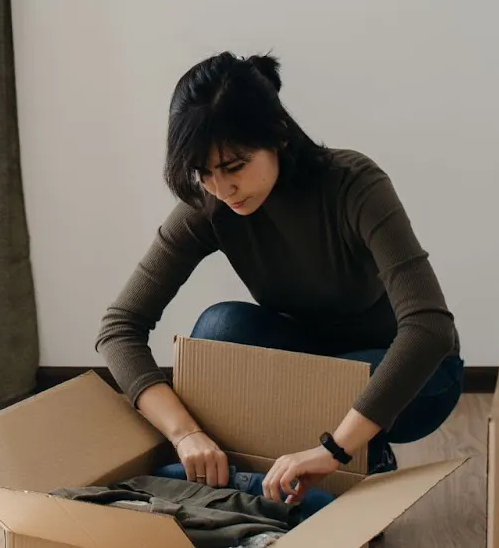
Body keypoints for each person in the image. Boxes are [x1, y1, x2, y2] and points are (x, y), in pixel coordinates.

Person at [97, 51, 462, 507]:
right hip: (309, 366)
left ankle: (362, 452)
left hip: (411, 375)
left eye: (234, 167)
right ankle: (300, 466)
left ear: (279, 136)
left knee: (381, 377)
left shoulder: (354, 186)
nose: (220, 188)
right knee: (220, 330)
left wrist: (335, 449)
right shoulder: (210, 204)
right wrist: (185, 433)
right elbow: (118, 328)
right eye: (203, 172)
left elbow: (430, 329)